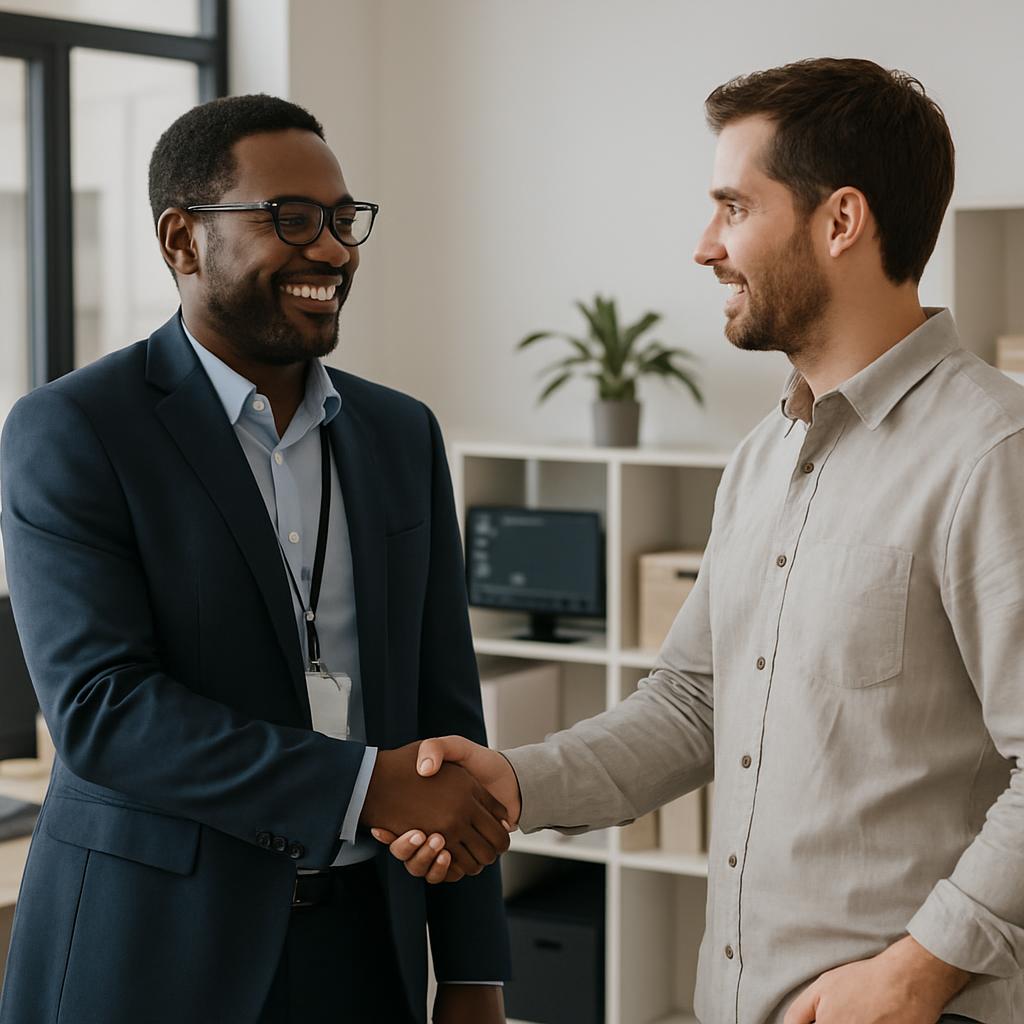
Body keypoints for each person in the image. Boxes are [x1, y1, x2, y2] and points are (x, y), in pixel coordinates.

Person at [377, 58, 1024, 1024]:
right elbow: (693, 702)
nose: (704, 247)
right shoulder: (764, 456)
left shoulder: (992, 453)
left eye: (733, 206)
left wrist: (916, 971)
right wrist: (516, 782)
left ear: (840, 220)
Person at [0, 94, 511, 1024]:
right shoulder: (74, 429)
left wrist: (473, 970)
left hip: (366, 950)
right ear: (182, 241)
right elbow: (102, 710)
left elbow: (447, 712)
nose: (334, 250)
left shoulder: (401, 434)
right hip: (152, 955)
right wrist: (362, 784)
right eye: (292, 219)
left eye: (342, 219)